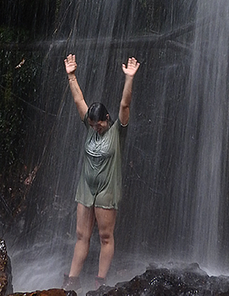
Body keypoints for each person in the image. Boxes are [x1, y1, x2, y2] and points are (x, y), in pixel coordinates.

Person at [62, 53, 140, 291]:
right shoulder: (90, 127)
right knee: (80, 235)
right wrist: (72, 76)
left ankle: (100, 281)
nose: (96, 128)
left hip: (106, 191)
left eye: (100, 124)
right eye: (93, 125)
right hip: (86, 189)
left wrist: (129, 78)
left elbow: (124, 105)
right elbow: (79, 102)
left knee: (105, 237)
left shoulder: (117, 131)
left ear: (107, 119)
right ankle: (72, 280)